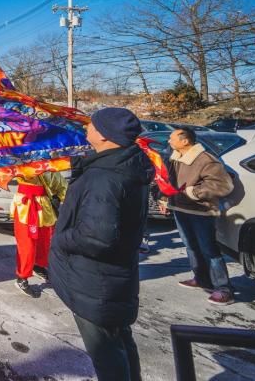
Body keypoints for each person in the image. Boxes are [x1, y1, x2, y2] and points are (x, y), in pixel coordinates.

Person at [49, 107, 153, 381]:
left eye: (92, 125)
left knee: (106, 354)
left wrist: (61, 238)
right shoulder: (126, 165)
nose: (87, 128)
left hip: (95, 283)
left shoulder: (105, 177)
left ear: (106, 136)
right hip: (113, 278)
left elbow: (96, 236)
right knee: (120, 343)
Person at [163, 127, 235, 305]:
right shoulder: (174, 158)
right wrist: (165, 197)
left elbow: (223, 185)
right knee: (191, 247)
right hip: (180, 209)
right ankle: (202, 279)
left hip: (201, 211)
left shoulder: (205, 160)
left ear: (185, 141)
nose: (169, 141)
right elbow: (168, 181)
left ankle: (224, 289)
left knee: (209, 249)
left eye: (172, 138)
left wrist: (194, 192)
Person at [10, 169, 67, 297]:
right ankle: (22, 278)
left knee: (45, 241)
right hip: (25, 207)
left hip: (44, 207)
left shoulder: (50, 166)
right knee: (27, 245)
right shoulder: (20, 162)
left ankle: (38, 265)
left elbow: (63, 187)